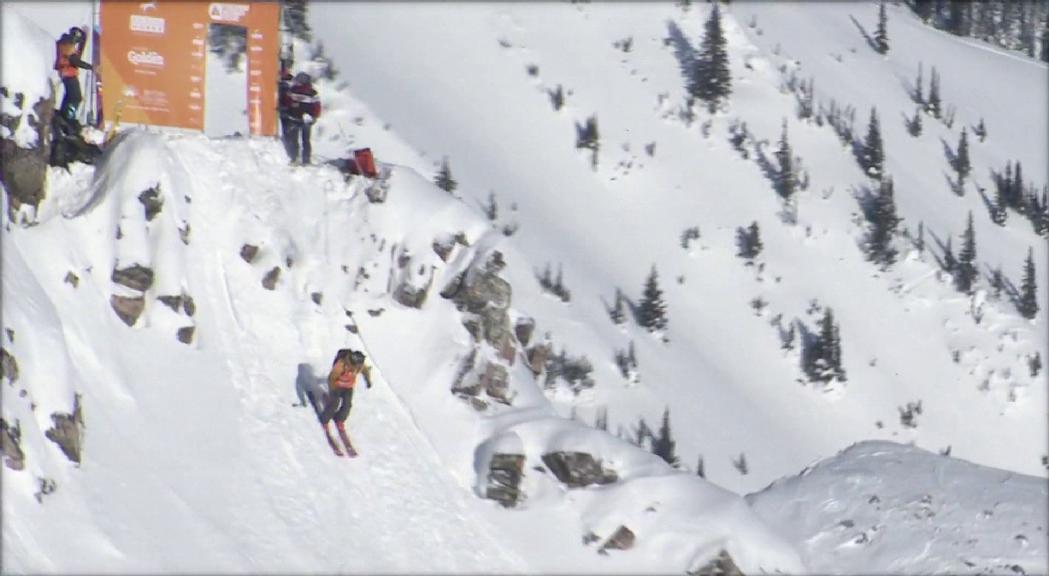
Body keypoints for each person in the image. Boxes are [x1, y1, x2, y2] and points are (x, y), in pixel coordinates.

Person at [320, 348, 371, 454]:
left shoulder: (359, 365)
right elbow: (331, 377)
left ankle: (340, 419)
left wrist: (368, 380)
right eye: (355, 366)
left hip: (348, 387)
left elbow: (365, 370)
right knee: (334, 404)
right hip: (337, 385)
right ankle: (325, 419)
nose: (356, 368)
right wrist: (333, 391)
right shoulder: (342, 364)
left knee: (347, 405)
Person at [54, 26, 94, 124]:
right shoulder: (68, 45)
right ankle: (68, 118)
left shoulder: (64, 43)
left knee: (69, 97)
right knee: (76, 97)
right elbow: (74, 60)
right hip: (69, 74)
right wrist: (91, 67)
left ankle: (63, 116)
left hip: (65, 74)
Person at [279, 72, 320, 165]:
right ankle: (306, 160)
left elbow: (287, 102)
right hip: (305, 119)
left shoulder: (293, 90)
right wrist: (314, 116)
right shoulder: (312, 92)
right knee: (305, 140)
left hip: (295, 118)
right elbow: (317, 107)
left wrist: (287, 109)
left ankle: (295, 158)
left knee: (295, 140)